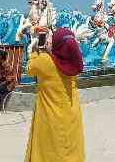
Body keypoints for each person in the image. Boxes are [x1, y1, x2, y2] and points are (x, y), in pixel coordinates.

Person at [24, 27, 84, 162]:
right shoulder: (74, 62)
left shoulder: (45, 61)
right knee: (70, 148)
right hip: (71, 113)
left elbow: (29, 68)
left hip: (49, 115)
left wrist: (37, 50)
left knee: (49, 150)